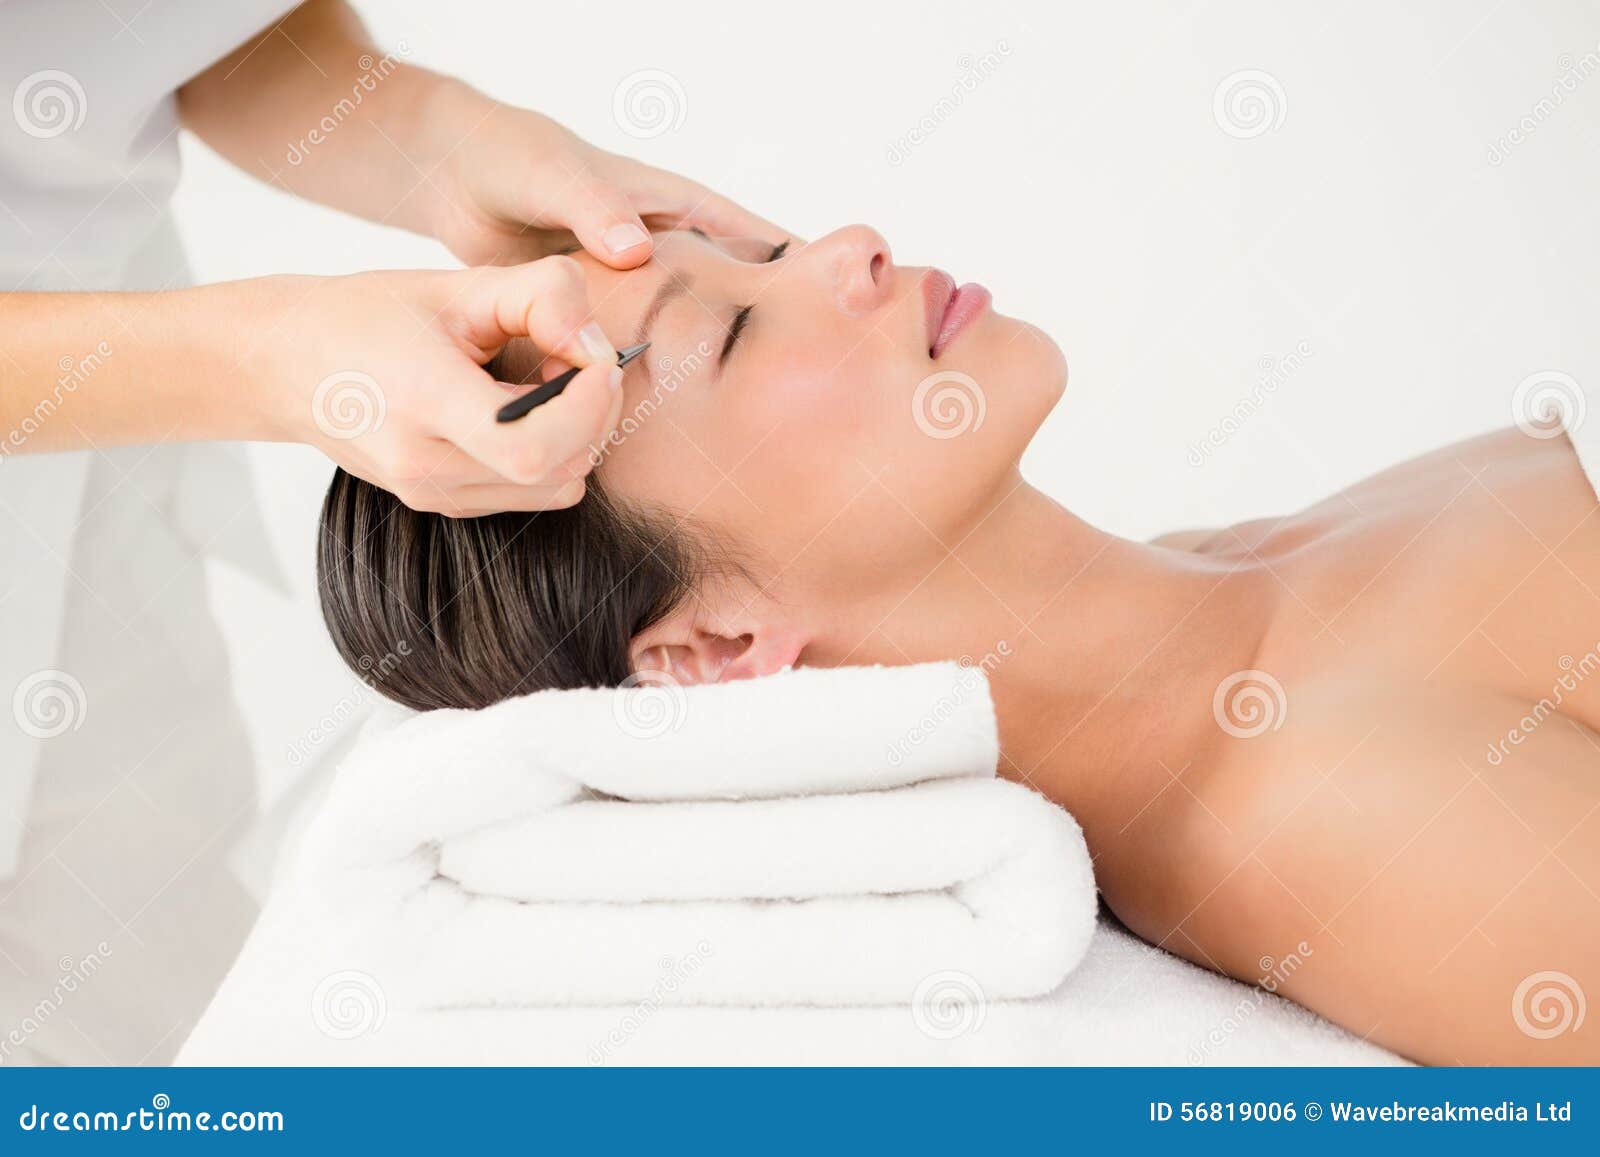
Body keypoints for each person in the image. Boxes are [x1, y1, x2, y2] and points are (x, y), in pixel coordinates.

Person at [318, 226, 1600, 1066]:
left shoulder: (1232, 573)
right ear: (712, 648)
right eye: (736, 329)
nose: (849, 247)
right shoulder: (1323, 807)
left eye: (756, 250)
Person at [0, 0, 776, 1064]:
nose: (861, 249)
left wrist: (435, 139)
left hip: (90, 405)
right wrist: (261, 355)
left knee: (146, 1021)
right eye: (733, 330)